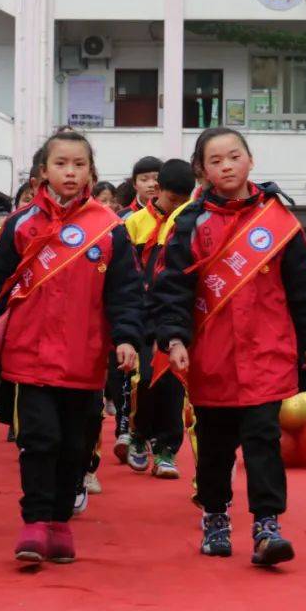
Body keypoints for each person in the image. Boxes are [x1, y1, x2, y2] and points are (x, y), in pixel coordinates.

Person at [152, 127, 306, 566]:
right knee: (214, 443)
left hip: (266, 351)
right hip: (211, 354)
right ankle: (215, 514)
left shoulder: (277, 220)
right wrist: (174, 336)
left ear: (251, 160)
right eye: (216, 160)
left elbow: (305, 283)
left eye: (234, 156)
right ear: (203, 170)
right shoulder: (190, 223)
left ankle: (266, 526)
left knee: (263, 439)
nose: (227, 166)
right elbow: (171, 286)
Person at [0, 130, 143, 566]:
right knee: (39, 440)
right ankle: (34, 522)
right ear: (43, 171)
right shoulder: (20, 225)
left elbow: (125, 291)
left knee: (76, 445)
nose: (70, 172)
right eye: (61, 164)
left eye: (79, 164)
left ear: (92, 170)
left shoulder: (109, 227)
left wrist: (126, 337)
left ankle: (60, 522)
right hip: (27, 358)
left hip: (86, 359)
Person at [122, 159, 195, 479]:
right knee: (145, 378)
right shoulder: (133, 223)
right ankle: (138, 436)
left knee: (174, 381)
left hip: (176, 311)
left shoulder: (192, 221)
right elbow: (123, 272)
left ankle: (167, 448)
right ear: (158, 190)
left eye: (183, 201)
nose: (178, 207)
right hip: (141, 312)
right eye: (172, 200)